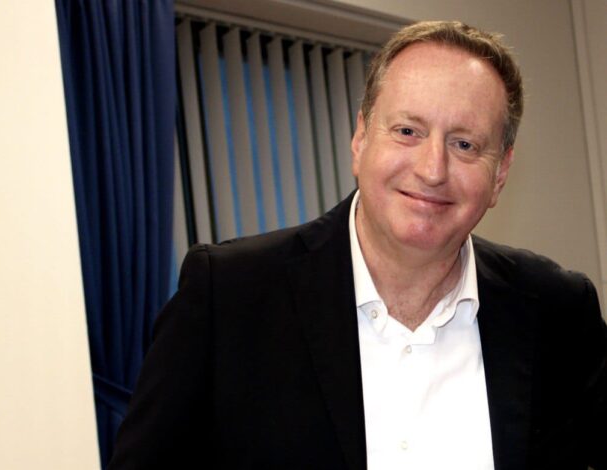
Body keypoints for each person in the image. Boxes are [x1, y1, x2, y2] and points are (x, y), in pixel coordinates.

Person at [108, 20, 607, 469]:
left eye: (464, 144)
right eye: (407, 131)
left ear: (499, 174)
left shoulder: (559, 311)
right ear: (361, 139)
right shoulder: (229, 295)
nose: (432, 169)